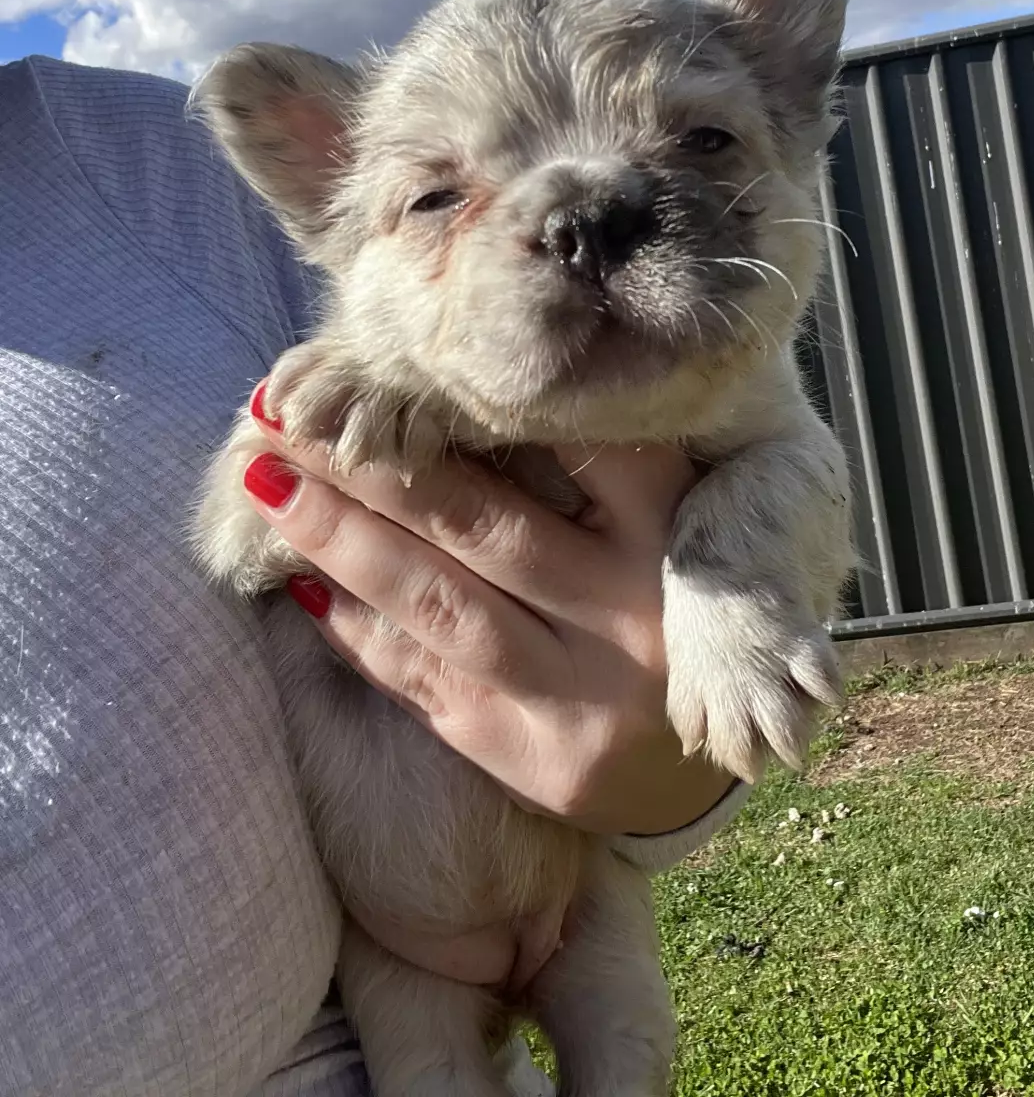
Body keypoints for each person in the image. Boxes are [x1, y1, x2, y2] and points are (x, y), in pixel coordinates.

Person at [0, 54, 748, 1096]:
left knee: (627, 1061)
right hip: (391, 955)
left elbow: (686, 558)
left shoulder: (139, 167)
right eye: (439, 197)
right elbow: (244, 536)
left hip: (579, 882)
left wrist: (673, 766)